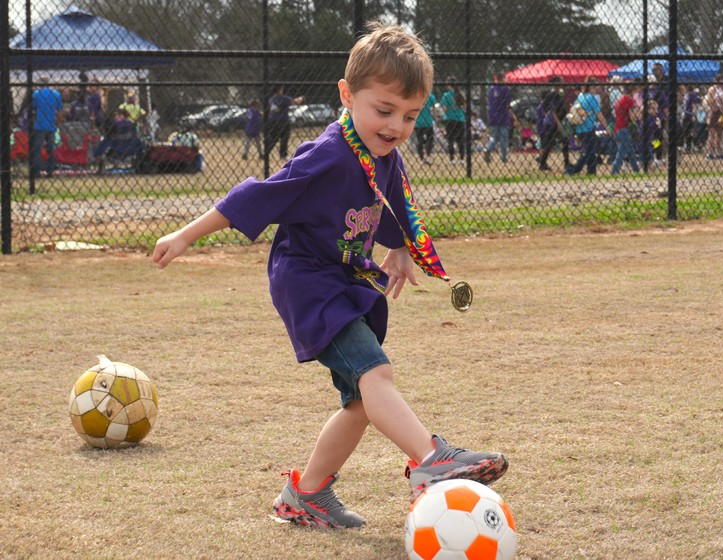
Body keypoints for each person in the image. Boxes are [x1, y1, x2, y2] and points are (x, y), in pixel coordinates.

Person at [151, 22, 508, 530]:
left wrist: (402, 248)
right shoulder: (328, 152)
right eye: (384, 111)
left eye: (409, 116)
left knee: (362, 402)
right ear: (347, 94)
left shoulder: (380, 153)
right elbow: (256, 195)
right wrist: (188, 234)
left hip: (344, 279)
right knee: (375, 373)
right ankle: (431, 460)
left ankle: (306, 495)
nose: (396, 127)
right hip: (308, 282)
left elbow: (393, 205)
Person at [565, 77, 609, 176]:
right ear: (592, 86)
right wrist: (607, 127)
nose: (598, 87)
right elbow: (599, 115)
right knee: (588, 152)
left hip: (580, 127)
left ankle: (591, 171)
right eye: (596, 85)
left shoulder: (581, 96)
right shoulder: (592, 98)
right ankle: (573, 170)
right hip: (588, 127)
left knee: (591, 151)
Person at [31, 75, 64, 178]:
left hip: (39, 124)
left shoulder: (36, 94)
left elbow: (33, 109)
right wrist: (58, 123)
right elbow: (60, 111)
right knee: (51, 149)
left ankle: (36, 171)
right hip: (51, 124)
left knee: (37, 149)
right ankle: (50, 171)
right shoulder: (56, 94)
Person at [536, 77, 568, 171]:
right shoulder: (552, 94)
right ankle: (565, 162)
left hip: (554, 122)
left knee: (551, 143)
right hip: (553, 123)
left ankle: (543, 162)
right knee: (560, 141)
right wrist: (558, 123)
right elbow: (552, 110)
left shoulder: (557, 93)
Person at [265, 85, 304, 161]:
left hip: (273, 120)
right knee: (285, 137)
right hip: (283, 120)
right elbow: (294, 102)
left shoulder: (271, 99)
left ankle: (266, 153)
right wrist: (301, 98)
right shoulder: (284, 98)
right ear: (279, 90)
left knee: (273, 138)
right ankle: (283, 155)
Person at [610, 84, 641, 175]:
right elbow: (632, 117)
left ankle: (636, 170)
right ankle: (614, 170)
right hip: (624, 129)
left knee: (630, 151)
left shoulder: (620, 99)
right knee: (621, 152)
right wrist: (639, 112)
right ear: (632, 90)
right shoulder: (629, 100)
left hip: (618, 128)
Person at [483, 72, 512, 163]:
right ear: (502, 79)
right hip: (503, 116)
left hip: (493, 116)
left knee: (495, 137)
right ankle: (504, 157)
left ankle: (488, 148)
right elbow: (508, 104)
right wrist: (512, 115)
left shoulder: (491, 89)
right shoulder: (505, 89)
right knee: (504, 137)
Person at [440, 76, 466, 164]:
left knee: (451, 139)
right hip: (460, 119)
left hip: (450, 119)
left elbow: (445, 109)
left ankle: (452, 159)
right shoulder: (459, 94)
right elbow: (465, 106)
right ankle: (462, 159)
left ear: (448, 85)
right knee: (460, 140)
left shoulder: (446, 95)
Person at [414, 90, 436, 164]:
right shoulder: (430, 96)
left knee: (420, 140)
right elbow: (434, 109)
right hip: (428, 122)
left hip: (418, 122)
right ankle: (428, 156)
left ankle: (421, 158)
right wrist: (435, 118)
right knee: (430, 140)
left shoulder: (416, 94)